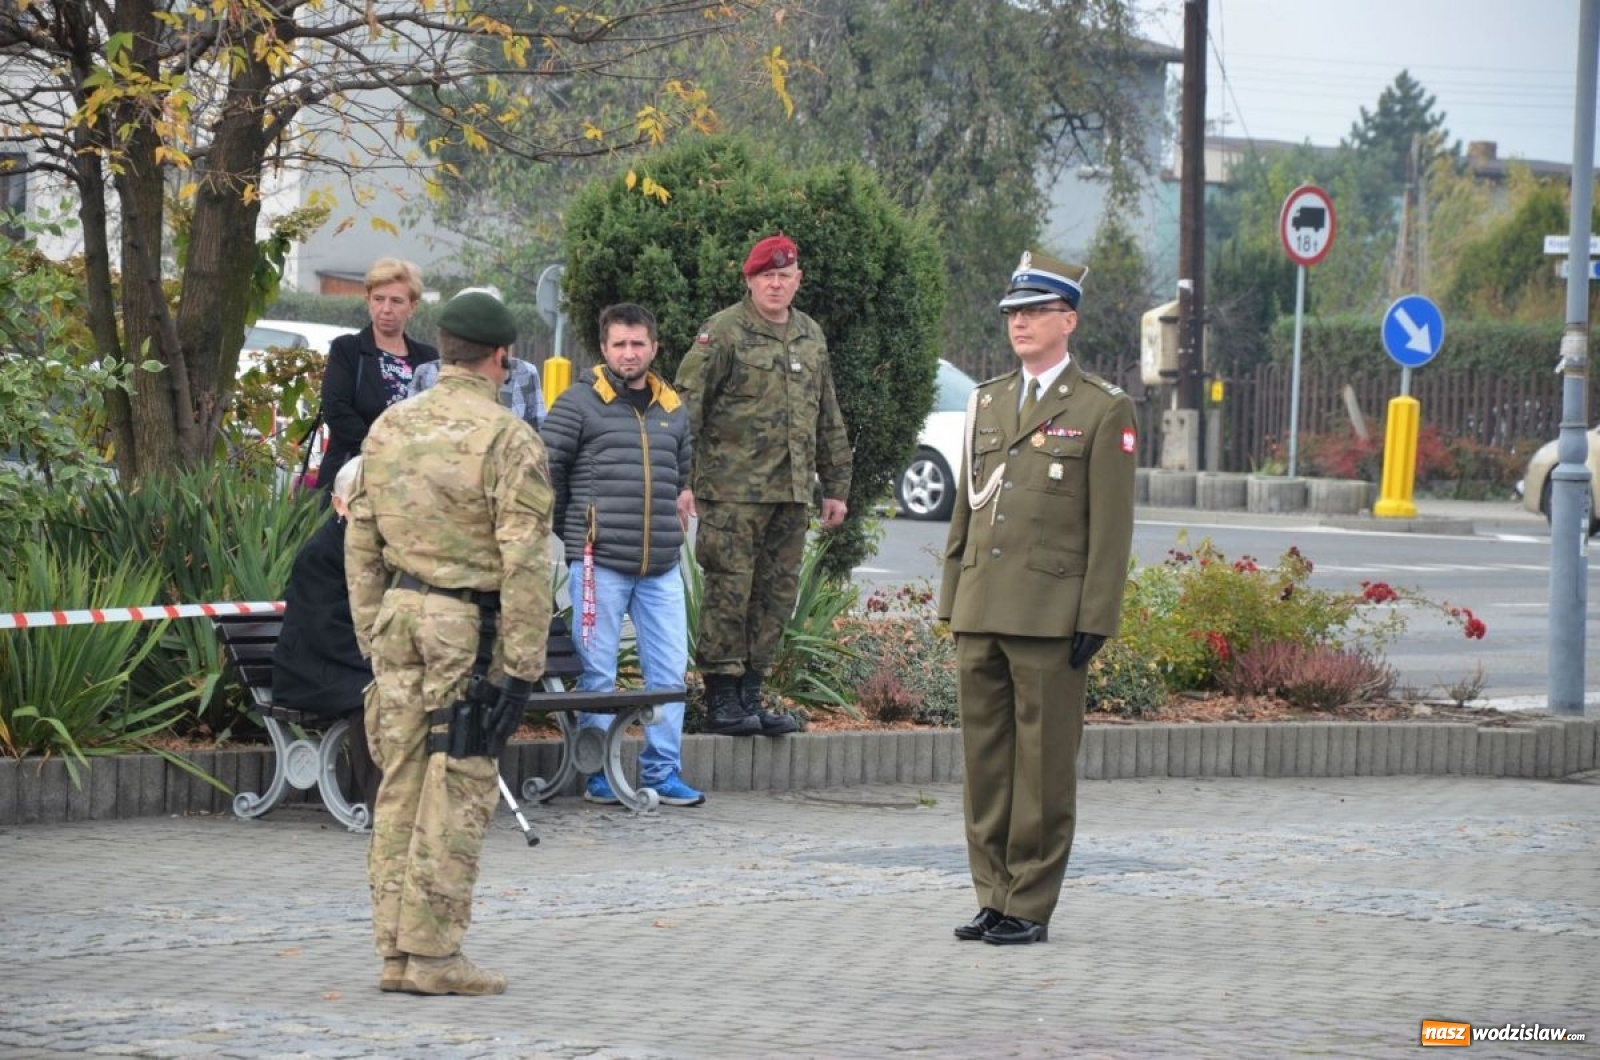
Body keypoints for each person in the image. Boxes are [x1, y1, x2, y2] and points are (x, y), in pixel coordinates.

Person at [345, 288, 553, 997]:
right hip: (465, 628)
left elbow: (360, 540)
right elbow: (526, 560)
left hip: (399, 618)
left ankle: (395, 953)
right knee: (457, 788)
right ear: (502, 357)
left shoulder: (389, 426)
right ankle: (434, 957)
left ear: (445, 349)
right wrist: (520, 669)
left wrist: (372, 628)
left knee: (399, 783)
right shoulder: (508, 438)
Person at [938, 251, 1137, 947]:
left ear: (1068, 320)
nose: (1019, 323)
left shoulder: (1102, 408)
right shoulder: (988, 400)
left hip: (1050, 615)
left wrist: (1096, 615)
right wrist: (951, 599)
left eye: (1034, 312)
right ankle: (992, 894)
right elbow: (966, 508)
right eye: (1012, 313)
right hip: (982, 607)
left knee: (1043, 769)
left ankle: (1029, 901)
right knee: (986, 764)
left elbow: (1111, 527)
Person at [675, 233, 853, 737]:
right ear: (749, 280)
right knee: (729, 592)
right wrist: (681, 480)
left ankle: (751, 696)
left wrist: (836, 485)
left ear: (798, 280)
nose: (776, 284)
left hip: (791, 493)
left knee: (775, 596)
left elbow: (827, 412)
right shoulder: (723, 332)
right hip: (731, 492)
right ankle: (721, 700)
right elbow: (686, 409)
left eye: (784, 276)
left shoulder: (809, 334)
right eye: (766, 276)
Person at [541, 303, 703, 808]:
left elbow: (681, 475)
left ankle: (662, 771)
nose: (628, 353)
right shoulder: (577, 403)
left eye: (637, 344)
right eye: (619, 344)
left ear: (654, 348)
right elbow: (546, 471)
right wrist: (576, 533)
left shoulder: (673, 407)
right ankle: (598, 774)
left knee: (668, 674)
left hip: (661, 567)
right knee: (598, 677)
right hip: (598, 565)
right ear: (603, 349)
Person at [271, 456, 380, 808]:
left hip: (358, 661)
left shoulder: (386, 549)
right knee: (376, 696)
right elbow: (325, 630)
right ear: (339, 504)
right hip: (314, 669)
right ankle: (385, 804)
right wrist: (383, 662)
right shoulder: (321, 553)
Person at [319, 258, 439, 494]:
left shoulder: (428, 357)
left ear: (412, 307)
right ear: (368, 301)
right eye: (378, 299)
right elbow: (336, 409)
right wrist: (384, 451)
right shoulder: (348, 349)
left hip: (410, 484)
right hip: (353, 478)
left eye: (396, 301)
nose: (386, 309)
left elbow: (435, 416)